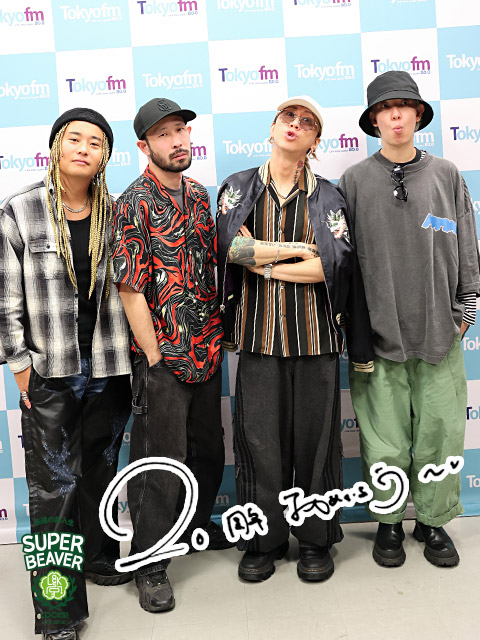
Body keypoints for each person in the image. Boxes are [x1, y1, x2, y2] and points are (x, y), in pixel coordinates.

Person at [216, 96, 374, 583]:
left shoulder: (330, 197)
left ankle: (314, 540)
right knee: (258, 444)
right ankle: (262, 541)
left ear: (315, 142)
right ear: (273, 126)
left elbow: (332, 266)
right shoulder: (238, 186)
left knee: (317, 445)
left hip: (316, 339)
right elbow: (231, 247)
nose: (295, 125)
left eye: (307, 123)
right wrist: (291, 251)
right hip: (258, 339)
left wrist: (266, 265)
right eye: (289, 116)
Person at [0, 108, 133, 640]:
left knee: (102, 472)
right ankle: (58, 614)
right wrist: (19, 364)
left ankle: (99, 557)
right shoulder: (20, 209)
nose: (84, 148)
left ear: (105, 156)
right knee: (54, 489)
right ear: (56, 147)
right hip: (50, 370)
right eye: (74, 139)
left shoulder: (118, 213)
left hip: (109, 365)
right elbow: (4, 297)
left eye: (95, 142)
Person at [339, 71, 480, 568]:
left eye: (404, 105)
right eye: (385, 107)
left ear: (418, 115)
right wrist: (351, 326)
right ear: (374, 120)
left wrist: (465, 311)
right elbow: (341, 259)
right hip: (378, 337)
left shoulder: (446, 174)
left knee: (440, 434)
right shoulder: (354, 181)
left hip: (440, 333)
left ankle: (434, 521)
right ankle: (390, 522)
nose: (395, 114)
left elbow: (466, 246)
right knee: (385, 442)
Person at [112, 98, 231, 614]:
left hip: (208, 349)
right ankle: (150, 562)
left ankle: (194, 526)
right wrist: (154, 357)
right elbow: (129, 287)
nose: (177, 140)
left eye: (181, 129)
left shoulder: (201, 196)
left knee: (207, 451)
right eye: (163, 134)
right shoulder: (132, 202)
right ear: (144, 146)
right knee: (159, 462)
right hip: (162, 357)